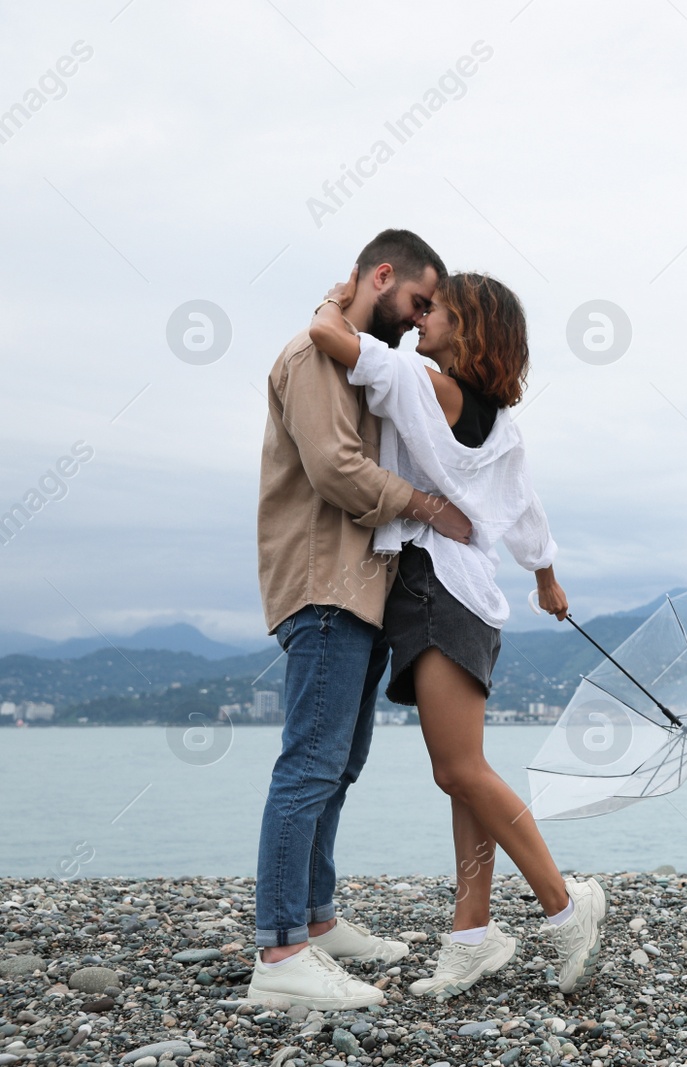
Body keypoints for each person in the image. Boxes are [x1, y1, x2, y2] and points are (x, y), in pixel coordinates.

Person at [306, 267, 607, 999]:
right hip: (468, 595)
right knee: (462, 771)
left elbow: (326, 336)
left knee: (459, 770)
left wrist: (343, 293)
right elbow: (526, 511)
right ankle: (471, 932)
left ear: (466, 327)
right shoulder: (502, 424)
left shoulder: (421, 384)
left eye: (432, 311)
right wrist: (545, 578)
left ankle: (566, 907)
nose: (418, 322)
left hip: (435, 589)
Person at [249, 229, 471, 1009]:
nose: (416, 324)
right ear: (381, 275)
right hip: (322, 587)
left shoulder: (345, 350)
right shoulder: (313, 357)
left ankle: (314, 918)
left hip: (358, 589)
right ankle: (279, 955)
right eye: (415, 304)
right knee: (309, 765)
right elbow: (336, 469)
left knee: (337, 765)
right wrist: (428, 508)